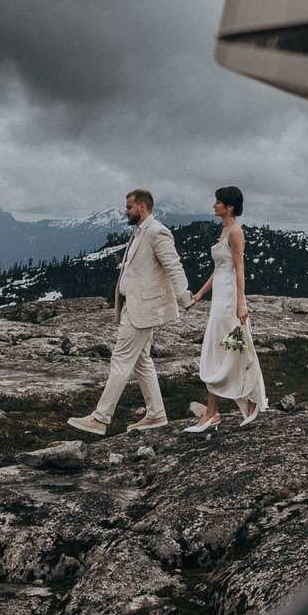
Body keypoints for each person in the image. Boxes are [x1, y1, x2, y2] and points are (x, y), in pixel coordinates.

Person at [68, 188, 192, 437]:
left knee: (121, 359)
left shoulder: (157, 232)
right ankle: (156, 413)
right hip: (132, 306)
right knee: (141, 361)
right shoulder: (139, 232)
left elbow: (173, 265)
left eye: (129, 207)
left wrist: (184, 297)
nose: (125, 211)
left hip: (142, 308)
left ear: (142, 207)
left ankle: (101, 418)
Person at [181, 184, 268, 433]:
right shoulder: (225, 231)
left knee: (224, 349)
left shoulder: (235, 232)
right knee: (225, 350)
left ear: (229, 206)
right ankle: (233, 407)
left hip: (229, 301)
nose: (214, 205)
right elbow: (219, 269)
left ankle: (215, 412)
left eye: (218, 202)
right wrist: (199, 294)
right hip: (219, 298)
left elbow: (239, 268)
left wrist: (240, 303)